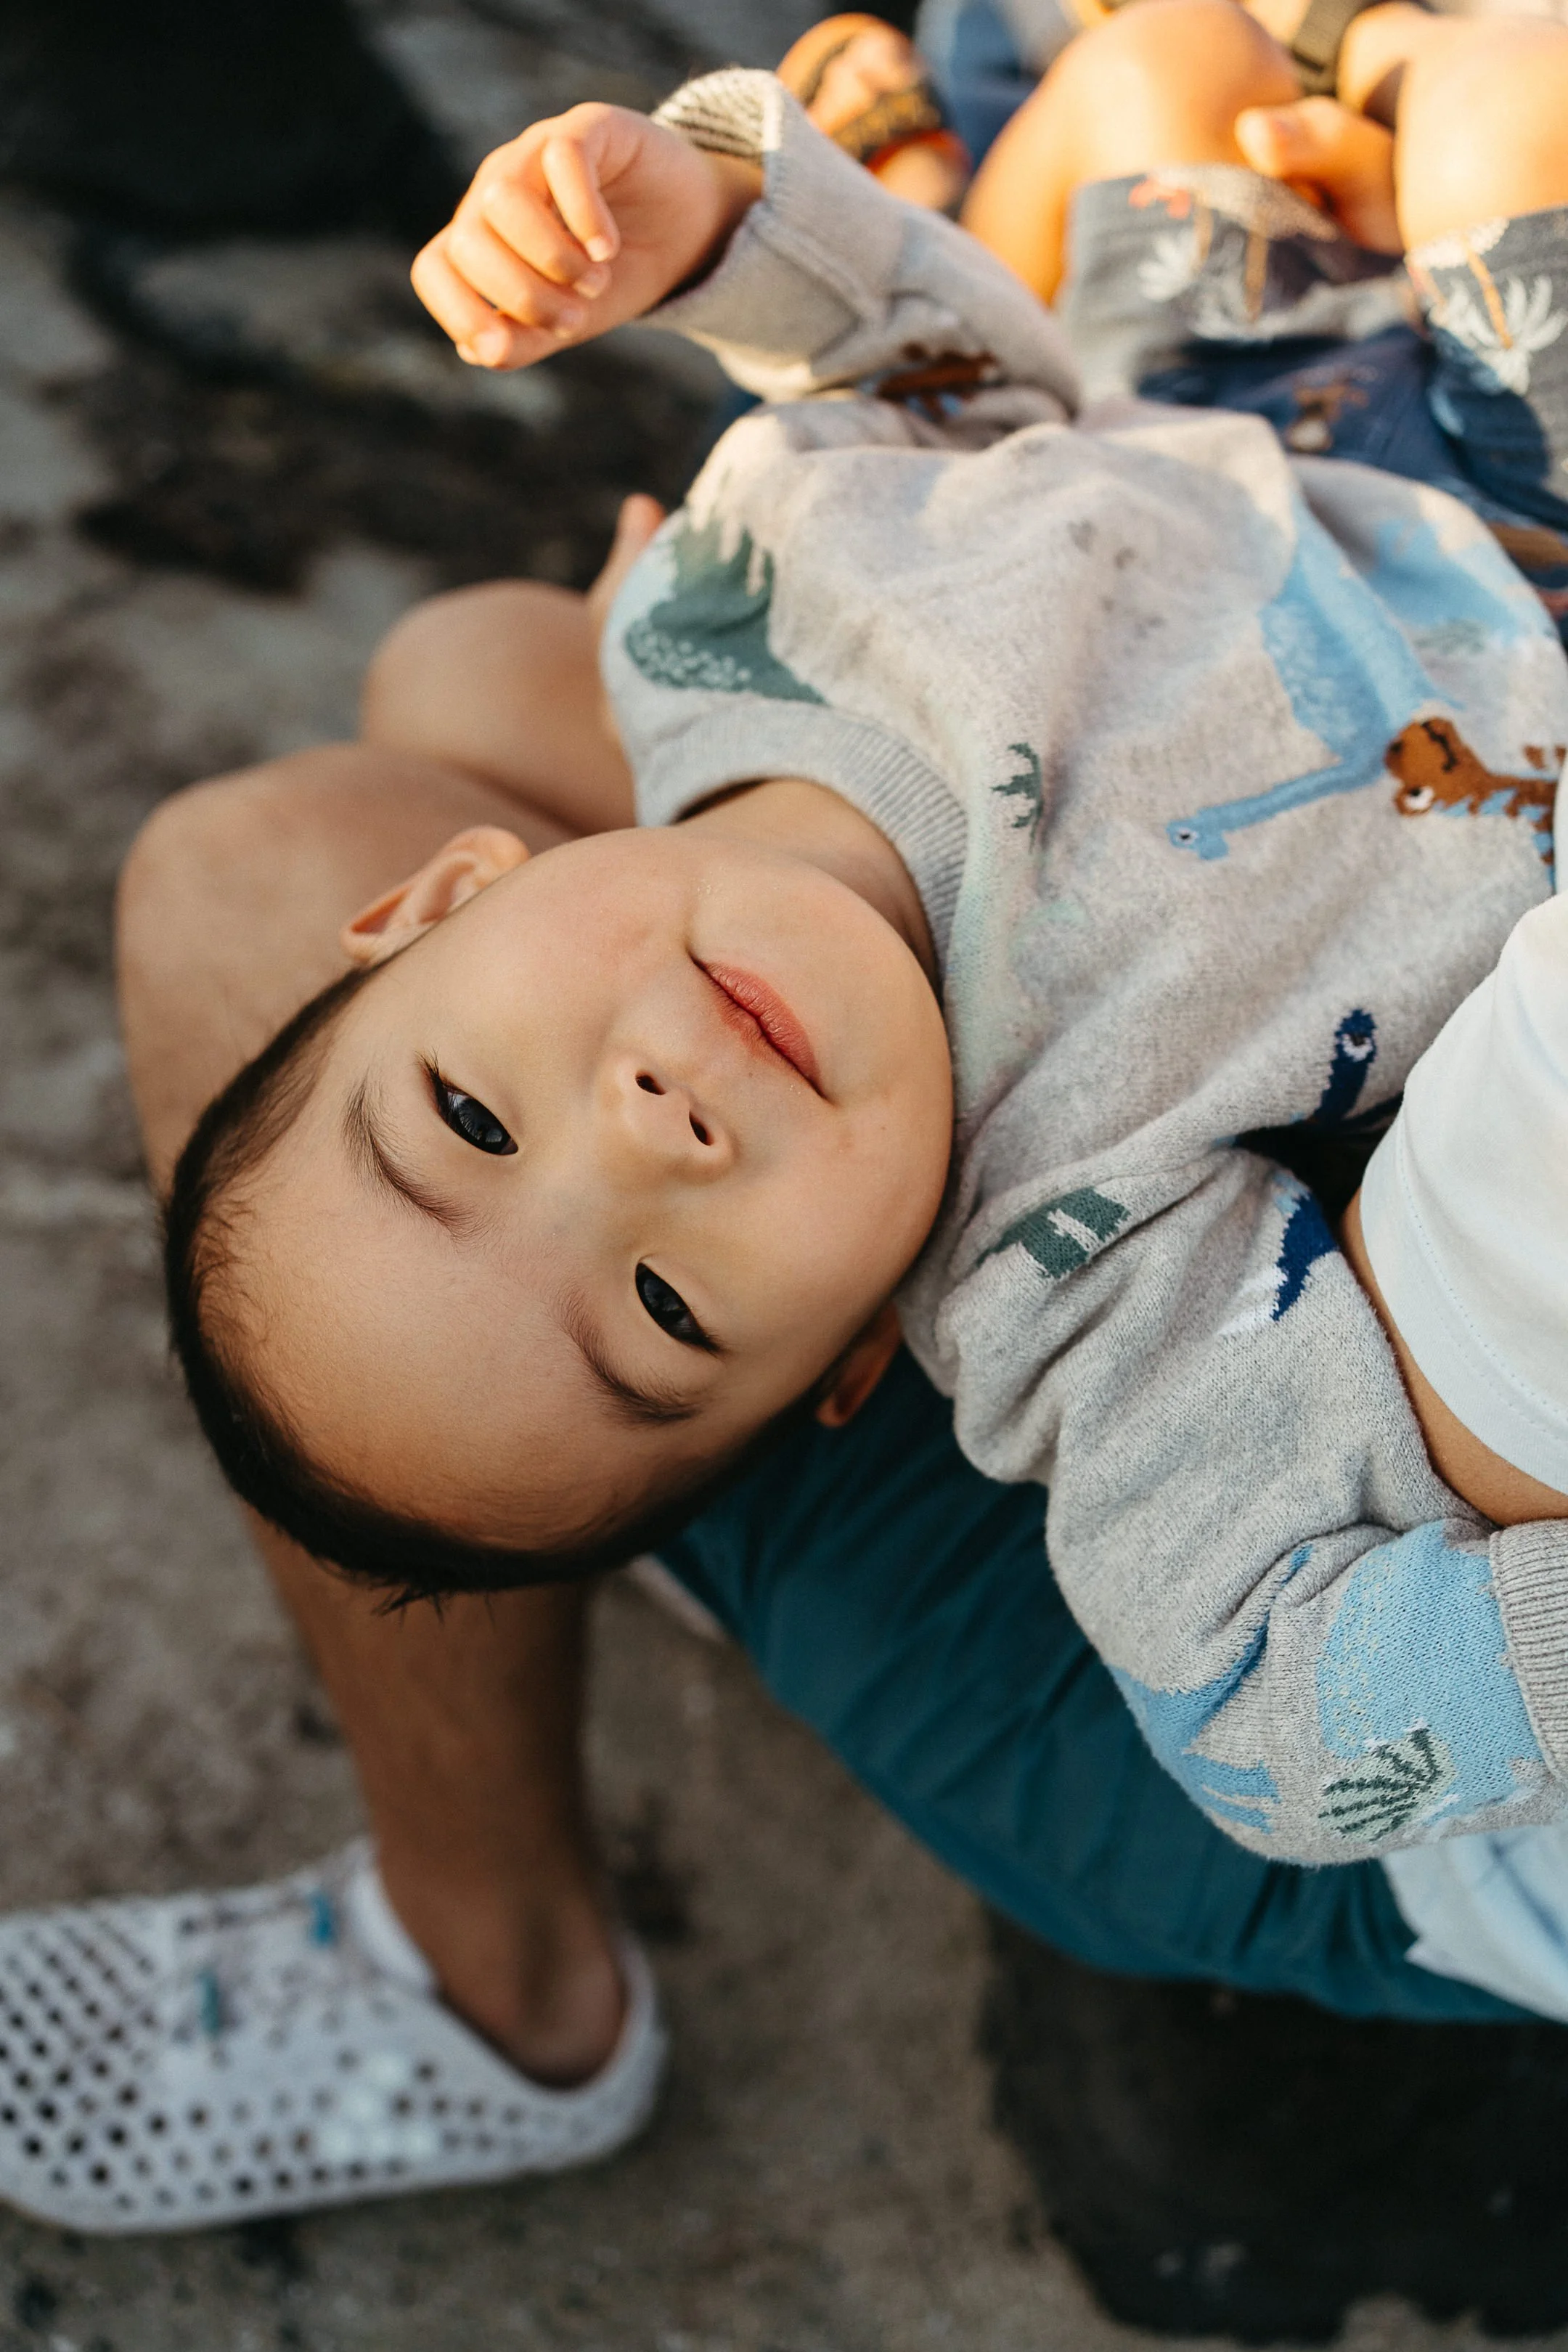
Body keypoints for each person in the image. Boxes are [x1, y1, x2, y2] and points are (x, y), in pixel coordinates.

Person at [5, 0, 1568, 2241]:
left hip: (1291, 454)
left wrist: (706, 218)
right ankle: (501, 1970)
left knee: (463, 664)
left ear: (447, 897)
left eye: (466, 1110)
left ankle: (597, 1511)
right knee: (1513, 90)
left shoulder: (718, 624)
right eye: (658, 1299)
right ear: (859, 1374)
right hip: (1510, 575)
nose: (645, 1127)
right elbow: (1283, 1710)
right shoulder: (1076, 1259)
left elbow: (941, 390)